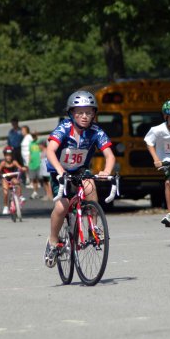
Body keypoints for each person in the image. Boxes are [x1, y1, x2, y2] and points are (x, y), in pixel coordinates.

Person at [44, 90, 115, 268]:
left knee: (90, 187)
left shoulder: (96, 131)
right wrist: (60, 171)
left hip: (80, 169)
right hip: (59, 170)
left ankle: (94, 228)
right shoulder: (64, 128)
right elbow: (50, 150)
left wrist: (106, 170)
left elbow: (110, 155)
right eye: (80, 112)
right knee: (63, 206)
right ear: (71, 113)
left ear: (94, 114)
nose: (84, 116)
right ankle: (52, 241)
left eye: (89, 112)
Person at [0, 146, 26, 215]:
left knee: (17, 182)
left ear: (12, 155)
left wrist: (22, 169)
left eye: (10, 155)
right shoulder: (3, 163)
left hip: (12, 177)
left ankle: (20, 197)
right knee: (6, 193)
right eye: (7, 156)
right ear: (4, 156)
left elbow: (20, 168)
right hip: (5, 178)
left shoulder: (14, 162)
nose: (8, 157)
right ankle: (5, 207)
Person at [28, 132, 41, 199]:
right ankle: (35, 192)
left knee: (42, 179)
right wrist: (29, 163)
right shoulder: (31, 144)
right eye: (32, 135)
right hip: (32, 163)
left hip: (39, 162)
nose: (33, 137)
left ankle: (48, 193)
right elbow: (30, 153)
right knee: (34, 179)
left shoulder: (39, 142)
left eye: (34, 135)